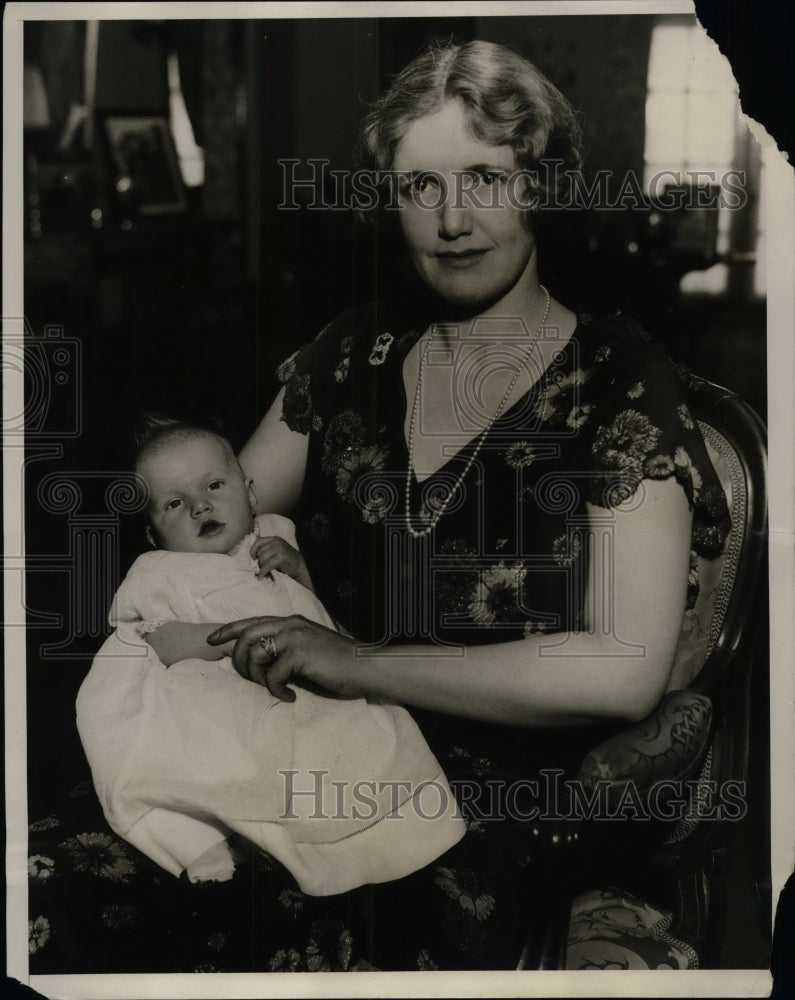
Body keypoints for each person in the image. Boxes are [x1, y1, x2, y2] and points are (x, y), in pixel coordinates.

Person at [210, 39, 731, 970]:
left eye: (486, 179)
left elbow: (622, 669)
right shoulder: (350, 354)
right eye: (421, 186)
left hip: (494, 811)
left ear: (541, 188)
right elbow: (206, 525)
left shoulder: (617, 381)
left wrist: (358, 662)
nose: (453, 220)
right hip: (300, 747)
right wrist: (256, 559)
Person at [76, 416, 464, 897]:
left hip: (310, 686)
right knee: (209, 742)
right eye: (174, 503)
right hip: (226, 689)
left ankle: (378, 833)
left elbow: (324, 620)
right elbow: (157, 640)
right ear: (154, 535)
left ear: (251, 496)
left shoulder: (277, 540)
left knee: (361, 741)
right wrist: (233, 639)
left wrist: (301, 574)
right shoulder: (160, 571)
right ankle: (223, 832)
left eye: (214, 485)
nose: (200, 506)